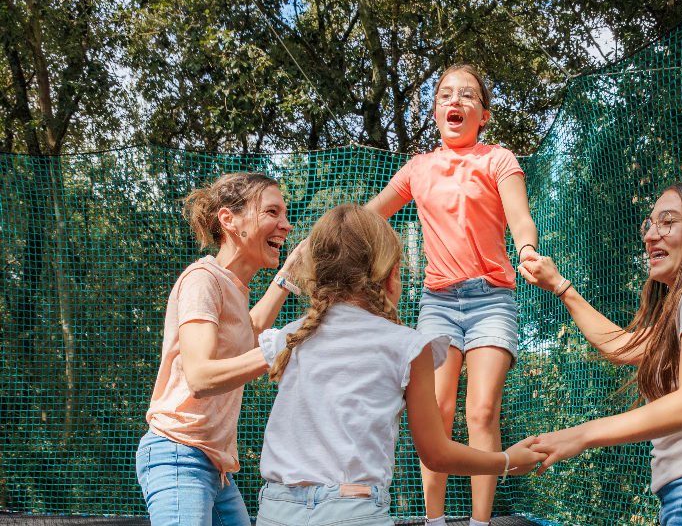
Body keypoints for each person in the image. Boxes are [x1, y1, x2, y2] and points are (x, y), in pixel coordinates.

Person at [256, 204, 545, 526]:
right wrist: (507, 460)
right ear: (392, 274)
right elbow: (436, 455)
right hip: (352, 509)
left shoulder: (291, 336)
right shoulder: (408, 346)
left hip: (275, 506)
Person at [517, 181, 682, 526]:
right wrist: (560, 286)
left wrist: (580, 435)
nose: (651, 234)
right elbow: (622, 346)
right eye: (650, 223)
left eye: (668, 221)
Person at [365, 64, 540, 526]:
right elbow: (368, 218)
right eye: (445, 95)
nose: (455, 101)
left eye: (467, 96)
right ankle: (435, 522)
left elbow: (520, 217)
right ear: (437, 111)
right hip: (438, 303)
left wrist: (525, 248)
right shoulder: (418, 168)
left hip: (492, 300)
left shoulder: (498, 159)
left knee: (480, 410)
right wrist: (328, 241)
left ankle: (481, 524)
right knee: (437, 411)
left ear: (482, 114)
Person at [136, 172, 304, 526]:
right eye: (272, 212)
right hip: (178, 455)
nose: (286, 225)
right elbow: (199, 375)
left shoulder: (232, 286)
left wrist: (288, 275)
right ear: (229, 220)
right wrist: (282, 345)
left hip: (214, 468)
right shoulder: (203, 280)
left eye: (285, 215)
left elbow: (250, 327)